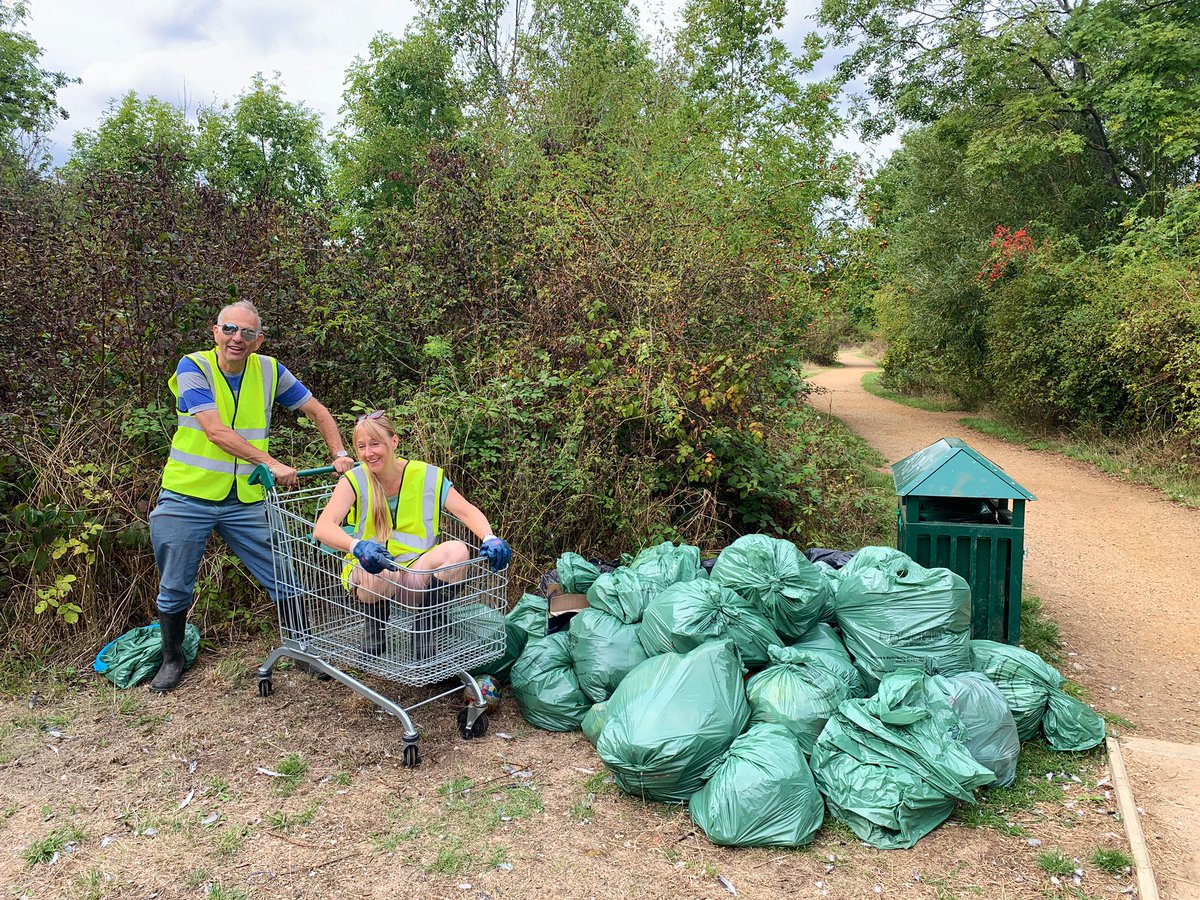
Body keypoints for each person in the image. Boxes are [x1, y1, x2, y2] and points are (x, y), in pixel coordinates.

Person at [148, 300, 355, 693]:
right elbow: (215, 431)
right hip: (187, 496)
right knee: (175, 584)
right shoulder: (194, 367)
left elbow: (319, 411)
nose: (236, 339)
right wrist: (271, 462)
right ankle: (172, 660)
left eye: (246, 333)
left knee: (284, 574)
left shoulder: (270, 370)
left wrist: (340, 454)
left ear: (258, 341)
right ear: (215, 332)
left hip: (245, 499)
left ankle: (302, 649)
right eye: (229, 329)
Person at [312, 410, 511, 657]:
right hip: (372, 577)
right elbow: (323, 528)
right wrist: (357, 546)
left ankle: (426, 624)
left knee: (459, 550)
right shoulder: (355, 480)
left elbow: (467, 512)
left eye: (375, 444)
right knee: (382, 568)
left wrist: (489, 537)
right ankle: (375, 626)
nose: (368, 453)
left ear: (394, 441)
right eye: (361, 446)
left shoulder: (426, 475)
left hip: (416, 574)